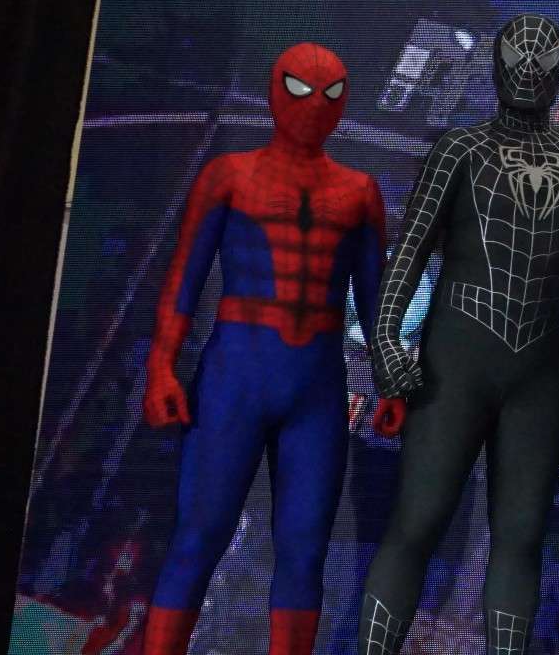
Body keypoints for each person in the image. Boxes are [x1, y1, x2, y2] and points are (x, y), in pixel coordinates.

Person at [359, 13, 559, 655]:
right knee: (416, 523)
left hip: (537, 369)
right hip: (458, 358)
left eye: (540, 63)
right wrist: (386, 340)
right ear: (499, 69)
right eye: (517, 60)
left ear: (558, 75)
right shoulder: (460, 151)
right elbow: (411, 248)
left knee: (520, 537)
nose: (527, 73)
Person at [140, 43, 404, 655]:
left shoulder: (360, 192)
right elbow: (184, 278)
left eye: (330, 94)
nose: (314, 106)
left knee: (304, 550)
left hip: (314, 386)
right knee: (198, 537)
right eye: (301, 90)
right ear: (274, 91)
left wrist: (391, 380)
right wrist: (160, 367)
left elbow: (375, 300)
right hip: (237, 373)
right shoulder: (229, 176)